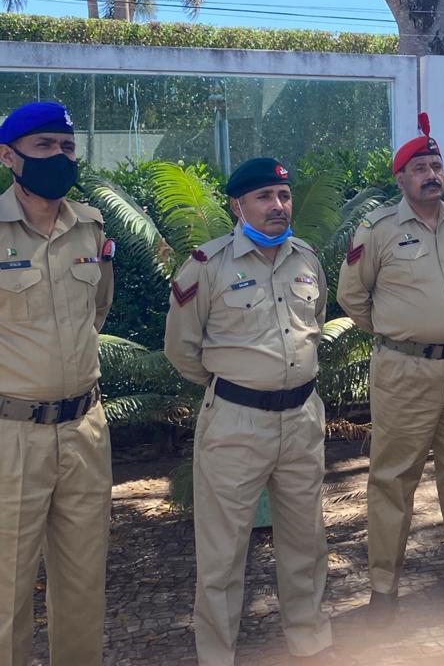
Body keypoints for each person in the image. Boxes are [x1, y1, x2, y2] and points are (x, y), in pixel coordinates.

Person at [164, 158, 334, 665]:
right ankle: (218, 655)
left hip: (301, 418)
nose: (278, 206)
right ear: (237, 206)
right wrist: (237, 385)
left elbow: (316, 321)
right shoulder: (207, 265)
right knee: (222, 552)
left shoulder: (307, 260)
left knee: (306, 541)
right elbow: (182, 348)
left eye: (284, 195)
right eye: (264, 197)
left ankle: (309, 641)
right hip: (236, 424)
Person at [336, 113, 444, 622]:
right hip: (405, 371)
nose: (432, 174)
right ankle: (383, 591)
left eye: (437, 165)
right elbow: (352, 296)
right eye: (421, 168)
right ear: (401, 178)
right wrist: (399, 333)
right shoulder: (378, 230)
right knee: (393, 479)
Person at [0, 102, 114, 666]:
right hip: (12, 435)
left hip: (85, 431)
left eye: (67, 147)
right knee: (7, 587)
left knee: (83, 581)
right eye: (44, 146)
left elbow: (97, 312)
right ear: (8, 156)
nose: (59, 157)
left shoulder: (90, 228)